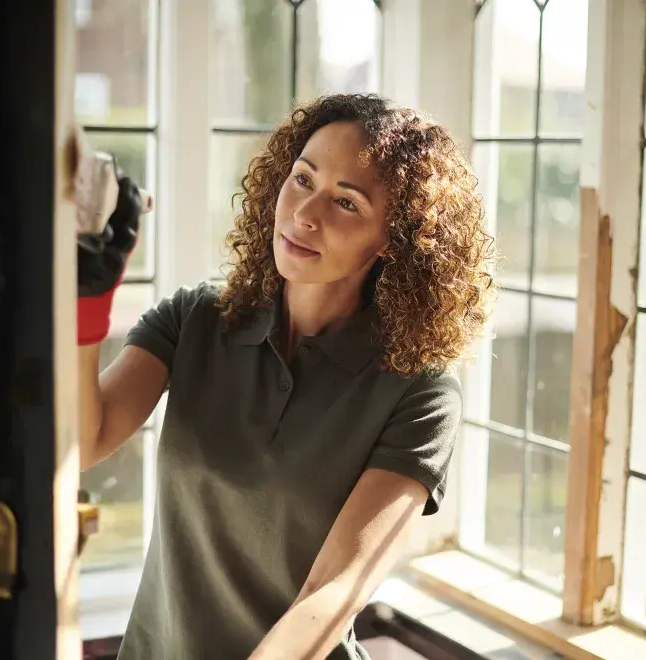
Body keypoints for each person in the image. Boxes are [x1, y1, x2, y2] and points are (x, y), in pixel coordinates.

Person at [76, 93, 495, 660]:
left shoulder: (419, 391)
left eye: (346, 204)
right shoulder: (197, 319)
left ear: (396, 240)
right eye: (302, 179)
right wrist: (86, 301)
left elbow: (337, 589)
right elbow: (82, 442)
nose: (306, 214)